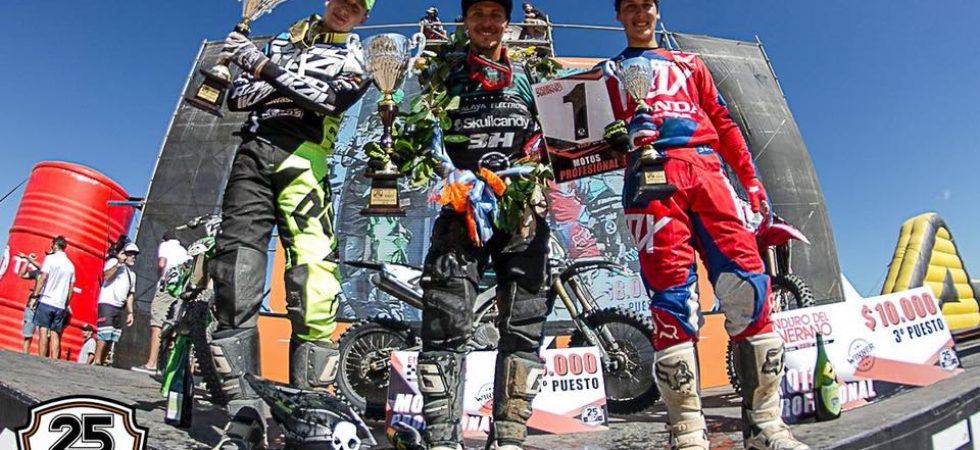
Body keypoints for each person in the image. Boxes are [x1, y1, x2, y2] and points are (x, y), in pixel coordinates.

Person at [604, 1, 809, 449]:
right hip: (649, 180)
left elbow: (723, 121)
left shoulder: (689, 63)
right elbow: (584, 138)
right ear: (618, 16)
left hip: (707, 170)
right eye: (629, 6)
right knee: (670, 301)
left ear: (656, 11)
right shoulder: (608, 72)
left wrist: (750, 180)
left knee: (748, 285)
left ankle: (765, 425)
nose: (639, 14)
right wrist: (619, 137)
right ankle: (687, 430)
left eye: (646, 4)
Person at [210, 0, 376, 447]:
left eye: (357, 6)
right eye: (342, 0)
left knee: (315, 283)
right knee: (235, 274)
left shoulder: (357, 55)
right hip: (253, 154)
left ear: (364, 16)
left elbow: (330, 100)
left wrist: (263, 68)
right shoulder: (285, 40)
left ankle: (308, 415)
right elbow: (237, 97)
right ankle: (244, 415)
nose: (345, 10)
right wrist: (285, 80)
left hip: (305, 162)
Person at [416, 1, 552, 449]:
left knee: (523, 322)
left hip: (519, 210)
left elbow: (551, 135)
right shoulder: (444, 74)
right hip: (462, 208)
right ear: (465, 22)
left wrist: (536, 171)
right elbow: (424, 133)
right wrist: (447, 174)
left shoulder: (530, 75)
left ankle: (509, 437)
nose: (487, 22)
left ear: (506, 22)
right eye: (477, 13)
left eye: (495, 13)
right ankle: (442, 439)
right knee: (445, 320)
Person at [133, 230, 189, 374]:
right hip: (180, 290)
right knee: (173, 326)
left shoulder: (165, 246)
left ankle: (151, 364)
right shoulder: (184, 251)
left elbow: (162, 263)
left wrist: (161, 275)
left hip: (166, 288)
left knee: (157, 324)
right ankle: (168, 367)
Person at [31, 236, 75, 359]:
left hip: (46, 301)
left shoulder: (50, 259)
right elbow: (71, 288)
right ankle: (55, 361)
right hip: (60, 304)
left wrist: (35, 295)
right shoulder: (70, 266)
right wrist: (65, 304)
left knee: (43, 331)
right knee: (56, 334)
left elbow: (42, 278)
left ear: (54, 245)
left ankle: (42, 360)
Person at [94, 242, 138, 366]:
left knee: (113, 336)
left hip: (119, 307)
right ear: (124, 253)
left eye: (135, 255)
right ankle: (96, 361)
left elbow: (130, 294)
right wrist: (118, 263)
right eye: (130, 254)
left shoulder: (132, 275)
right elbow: (106, 276)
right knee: (104, 334)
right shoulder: (113, 263)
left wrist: (130, 312)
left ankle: (103, 362)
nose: (133, 257)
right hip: (107, 303)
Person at [18, 252, 43, 354]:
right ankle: (25, 354)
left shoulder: (51, 272)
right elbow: (22, 274)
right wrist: (27, 261)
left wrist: (27, 257)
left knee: (43, 333)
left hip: (44, 304)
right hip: (32, 303)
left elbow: (43, 268)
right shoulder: (38, 272)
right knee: (28, 332)